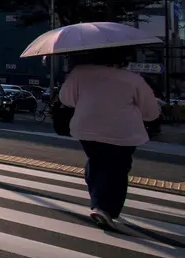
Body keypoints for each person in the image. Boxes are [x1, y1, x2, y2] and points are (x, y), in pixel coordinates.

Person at [59, 48, 162, 229]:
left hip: (86, 127)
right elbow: (151, 112)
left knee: (97, 161)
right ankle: (104, 208)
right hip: (122, 132)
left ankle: (98, 202)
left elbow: (66, 99)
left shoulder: (79, 73)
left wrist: (88, 102)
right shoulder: (132, 79)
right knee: (117, 168)